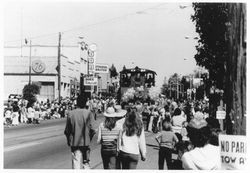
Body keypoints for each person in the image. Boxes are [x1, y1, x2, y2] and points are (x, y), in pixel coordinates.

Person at [64, 95, 96, 169]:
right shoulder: (88, 113)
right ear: (85, 103)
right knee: (86, 163)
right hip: (85, 142)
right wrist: (89, 138)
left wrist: (69, 140)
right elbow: (93, 129)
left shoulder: (70, 113)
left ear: (77, 102)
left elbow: (67, 130)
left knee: (76, 162)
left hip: (75, 143)